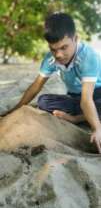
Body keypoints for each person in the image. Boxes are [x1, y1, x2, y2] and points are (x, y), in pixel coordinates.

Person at [3, 12, 101, 153]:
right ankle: (88, 116)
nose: (59, 55)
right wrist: (16, 108)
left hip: (95, 94)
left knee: (94, 104)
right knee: (44, 101)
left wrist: (97, 129)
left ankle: (77, 118)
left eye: (64, 47)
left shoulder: (88, 57)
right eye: (53, 49)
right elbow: (35, 87)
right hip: (75, 99)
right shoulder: (51, 59)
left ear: (75, 39)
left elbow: (87, 99)